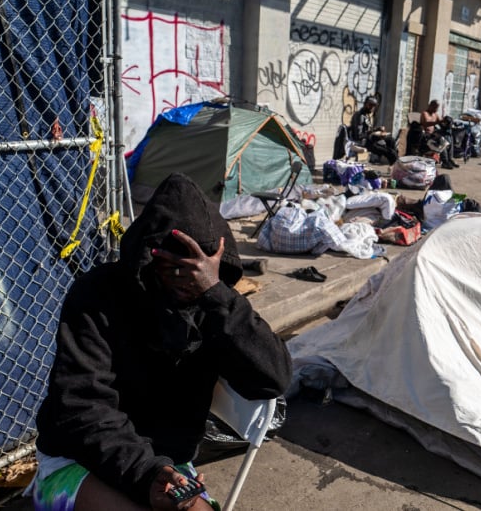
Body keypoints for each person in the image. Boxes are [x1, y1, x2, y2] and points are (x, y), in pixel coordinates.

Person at [31, 173, 293, 511]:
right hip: (79, 459)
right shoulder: (98, 295)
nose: (186, 279)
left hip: (167, 466)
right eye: (173, 266)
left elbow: (272, 379)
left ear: (216, 261)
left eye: (198, 267)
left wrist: (216, 295)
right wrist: (146, 472)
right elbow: (82, 407)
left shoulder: (214, 305)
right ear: (148, 259)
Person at [350, 95, 399, 165]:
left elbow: (368, 130)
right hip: (364, 142)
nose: (372, 108)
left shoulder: (366, 115)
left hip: (370, 139)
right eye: (370, 105)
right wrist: (373, 133)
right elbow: (359, 135)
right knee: (390, 152)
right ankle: (396, 166)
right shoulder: (360, 116)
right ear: (365, 104)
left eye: (373, 106)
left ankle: (394, 164)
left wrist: (377, 129)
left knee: (391, 140)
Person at [420, 100, 458, 169]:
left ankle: (450, 159)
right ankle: (445, 162)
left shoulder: (435, 115)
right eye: (435, 107)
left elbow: (441, 124)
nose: (436, 109)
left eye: (437, 108)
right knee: (442, 140)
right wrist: (438, 121)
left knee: (449, 136)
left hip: (433, 135)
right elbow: (426, 123)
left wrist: (447, 122)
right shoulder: (424, 113)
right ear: (430, 106)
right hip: (426, 136)